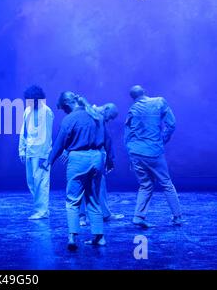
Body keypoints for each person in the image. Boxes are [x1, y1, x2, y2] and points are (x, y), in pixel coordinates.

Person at [42, 92, 108, 250]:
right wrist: (109, 159)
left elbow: (59, 144)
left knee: (73, 199)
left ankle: (72, 236)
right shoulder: (95, 115)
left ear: (66, 103)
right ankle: (99, 237)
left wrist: (49, 161)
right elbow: (107, 138)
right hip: (97, 157)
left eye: (63, 107)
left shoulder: (69, 119)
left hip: (79, 159)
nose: (63, 110)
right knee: (93, 198)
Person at [125, 85, 182, 228]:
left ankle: (139, 216)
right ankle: (177, 217)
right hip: (153, 151)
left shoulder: (132, 110)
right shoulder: (159, 102)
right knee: (166, 183)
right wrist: (163, 139)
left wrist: (131, 156)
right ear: (145, 91)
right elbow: (171, 124)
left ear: (133, 98)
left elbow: (127, 136)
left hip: (136, 152)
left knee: (145, 185)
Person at [60, 102, 124, 226]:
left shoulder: (99, 118)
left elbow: (106, 138)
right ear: (105, 108)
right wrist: (66, 149)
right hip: (82, 155)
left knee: (101, 185)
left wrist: (110, 158)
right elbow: (74, 131)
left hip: (96, 156)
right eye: (110, 116)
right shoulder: (86, 112)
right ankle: (82, 217)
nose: (109, 120)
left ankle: (105, 214)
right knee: (81, 185)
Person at [19, 85, 54, 220]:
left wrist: (44, 155)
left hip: (41, 152)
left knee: (41, 181)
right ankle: (41, 208)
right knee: (32, 182)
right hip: (30, 150)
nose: (28, 102)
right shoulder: (27, 111)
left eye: (30, 99)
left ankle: (42, 211)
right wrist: (21, 149)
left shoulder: (47, 112)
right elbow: (24, 131)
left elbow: (47, 134)